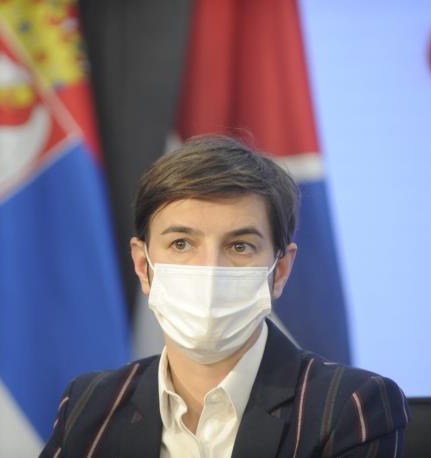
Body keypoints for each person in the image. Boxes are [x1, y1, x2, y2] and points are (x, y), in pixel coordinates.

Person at [40, 135, 409, 458]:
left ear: (280, 270)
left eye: (239, 246)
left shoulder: (350, 407)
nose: (209, 269)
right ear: (142, 265)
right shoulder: (91, 405)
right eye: (181, 244)